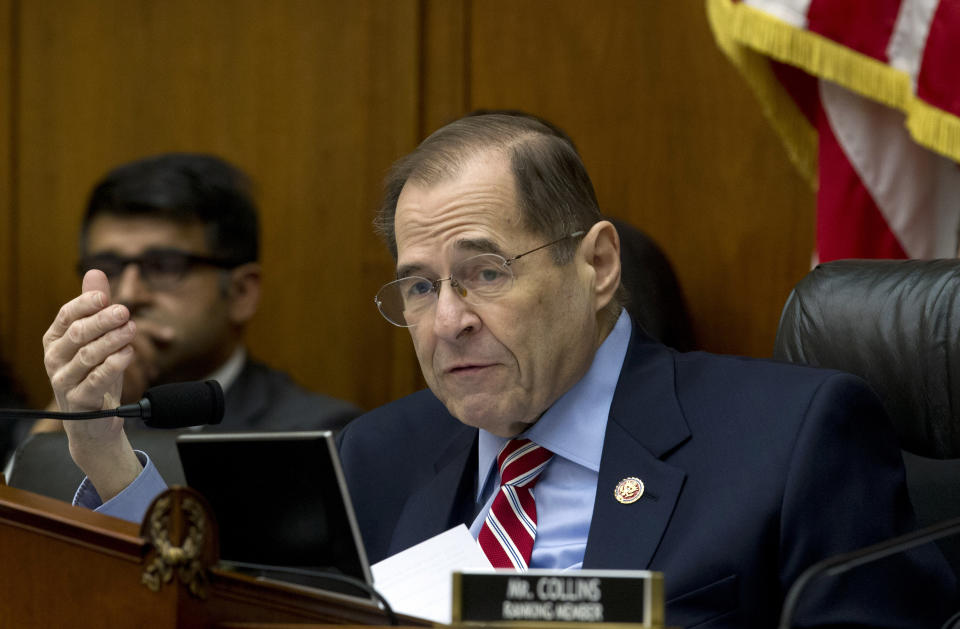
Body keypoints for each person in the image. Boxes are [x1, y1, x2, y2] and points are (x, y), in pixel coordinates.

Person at [43, 116, 955, 627]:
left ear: (596, 265)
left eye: (484, 271)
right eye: (418, 285)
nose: (448, 320)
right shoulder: (378, 452)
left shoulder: (791, 437)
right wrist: (107, 457)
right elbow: (225, 617)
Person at [38, 153, 359, 437]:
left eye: (164, 266)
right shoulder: (62, 420)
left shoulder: (314, 432)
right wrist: (73, 407)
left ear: (241, 293)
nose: (129, 294)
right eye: (107, 267)